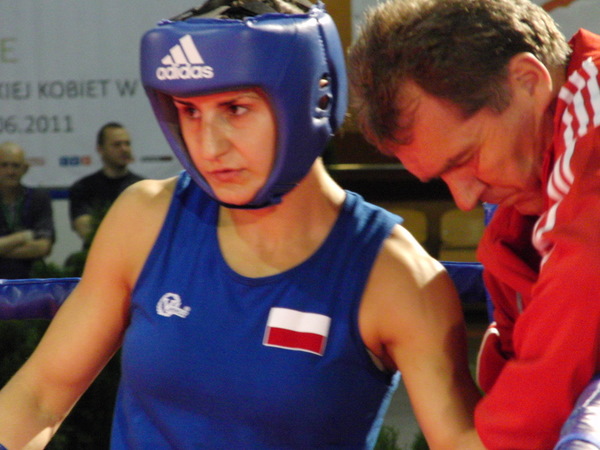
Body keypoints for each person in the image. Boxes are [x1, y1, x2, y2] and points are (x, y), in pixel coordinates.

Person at [0, 1, 481, 448]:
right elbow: (40, 396)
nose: (209, 146)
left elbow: (458, 440)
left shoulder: (393, 276)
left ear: (311, 100)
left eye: (236, 109)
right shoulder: (144, 219)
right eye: (189, 111)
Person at [348, 0, 600, 448]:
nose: (464, 199)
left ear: (527, 81)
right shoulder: (520, 213)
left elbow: (583, 283)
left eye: (466, 158)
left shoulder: (593, 118)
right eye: (442, 178)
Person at [68, 122, 143, 244]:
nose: (124, 149)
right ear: (100, 149)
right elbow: (86, 230)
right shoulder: (83, 188)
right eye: (117, 144)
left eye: (127, 144)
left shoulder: (142, 187)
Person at [0, 141, 54, 279]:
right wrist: (22, 237)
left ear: (25, 169)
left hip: (31, 279)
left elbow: (44, 247)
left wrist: (4, 246)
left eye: (15, 166)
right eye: (4, 165)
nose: (10, 171)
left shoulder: (39, 198)